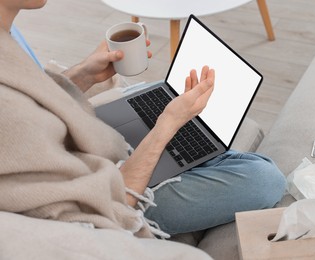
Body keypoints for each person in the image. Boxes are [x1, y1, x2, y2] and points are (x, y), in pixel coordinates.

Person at [0, 0, 286, 244]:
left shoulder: (8, 32)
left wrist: (83, 75)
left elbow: (37, 100)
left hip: (75, 146)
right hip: (100, 191)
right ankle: (196, 151)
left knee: (160, 90)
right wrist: (166, 127)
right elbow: (111, 205)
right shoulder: (7, 109)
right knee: (264, 179)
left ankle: (195, 148)